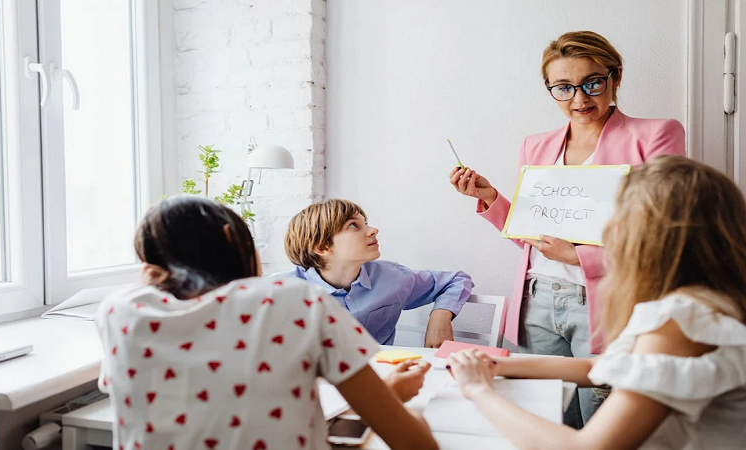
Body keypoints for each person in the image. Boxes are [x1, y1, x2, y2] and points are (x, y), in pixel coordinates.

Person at [448, 30, 685, 426]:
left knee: (605, 418)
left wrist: (581, 256)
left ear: (616, 76)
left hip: (612, 299)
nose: (580, 99)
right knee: (545, 418)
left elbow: (668, 232)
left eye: (593, 83)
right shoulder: (536, 145)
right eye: (564, 88)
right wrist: (491, 197)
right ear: (550, 90)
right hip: (536, 299)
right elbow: (536, 230)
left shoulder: (656, 134)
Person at [448, 156, 746, 450]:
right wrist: (496, 364)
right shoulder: (711, 300)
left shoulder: (680, 318)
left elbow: (586, 446)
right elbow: (598, 366)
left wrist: (478, 390)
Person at [96, 196, 439, 450]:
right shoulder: (297, 300)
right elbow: (411, 442)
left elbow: (227, 410)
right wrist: (391, 401)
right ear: (233, 238)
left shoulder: (119, 312)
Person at [283, 199, 473, 348]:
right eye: (353, 225)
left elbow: (456, 280)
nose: (373, 230)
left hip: (379, 380)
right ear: (322, 246)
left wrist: (440, 316)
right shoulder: (280, 293)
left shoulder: (394, 278)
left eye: (365, 223)